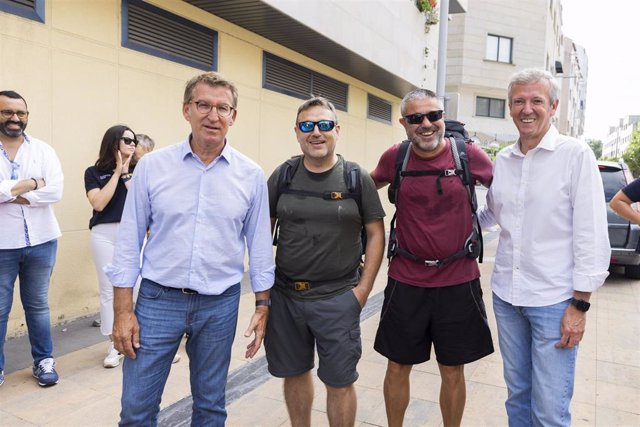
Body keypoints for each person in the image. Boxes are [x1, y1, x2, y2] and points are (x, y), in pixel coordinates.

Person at [105, 71, 275, 426]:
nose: (213, 115)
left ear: (233, 116)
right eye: (203, 105)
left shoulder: (251, 175)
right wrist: (123, 311)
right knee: (136, 409)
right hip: (157, 301)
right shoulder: (153, 166)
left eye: (222, 108)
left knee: (211, 406)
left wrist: (263, 306)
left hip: (220, 304)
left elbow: (260, 247)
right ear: (187, 110)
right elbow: (128, 242)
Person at [478, 68, 610, 426]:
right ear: (509, 108)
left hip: (554, 301)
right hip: (507, 297)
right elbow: (491, 214)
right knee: (518, 397)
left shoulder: (575, 155)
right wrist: (439, 222)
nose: (527, 108)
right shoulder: (503, 160)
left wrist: (580, 305)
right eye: (519, 101)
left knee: (550, 408)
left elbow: (592, 233)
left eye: (536, 101)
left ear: (553, 106)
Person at [371, 88, 494, 427]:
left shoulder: (468, 155)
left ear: (442, 117)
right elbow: (364, 194)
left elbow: (511, 196)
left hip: (459, 280)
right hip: (405, 281)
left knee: (453, 368)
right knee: (397, 365)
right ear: (404, 123)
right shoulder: (395, 158)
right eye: (415, 118)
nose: (426, 124)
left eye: (433, 116)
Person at [265, 97, 385, 426]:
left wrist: (362, 291)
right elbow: (260, 230)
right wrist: (264, 297)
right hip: (287, 297)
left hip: (337, 298)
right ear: (297, 133)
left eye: (323, 125)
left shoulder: (356, 178)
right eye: (307, 126)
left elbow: (376, 234)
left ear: (337, 130)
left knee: (340, 382)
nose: (315, 132)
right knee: (294, 373)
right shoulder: (284, 175)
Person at [0, 90, 64, 387]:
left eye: (20, 113)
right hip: (2, 245)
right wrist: (30, 184)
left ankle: (44, 361)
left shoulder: (43, 150)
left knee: (38, 305)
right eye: (7, 112)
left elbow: (55, 191)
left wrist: (10, 194)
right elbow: (42, 189)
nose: (15, 118)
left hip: (42, 240)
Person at [84, 125, 137, 368]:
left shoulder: (140, 170)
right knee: (108, 289)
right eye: (127, 139)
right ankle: (114, 344)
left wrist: (126, 173)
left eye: (134, 140)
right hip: (104, 233)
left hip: (132, 233)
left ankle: (137, 339)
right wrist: (116, 173)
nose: (132, 144)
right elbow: (99, 203)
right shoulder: (93, 172)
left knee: (137, 286)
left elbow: (141, 199)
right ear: (114, 142)